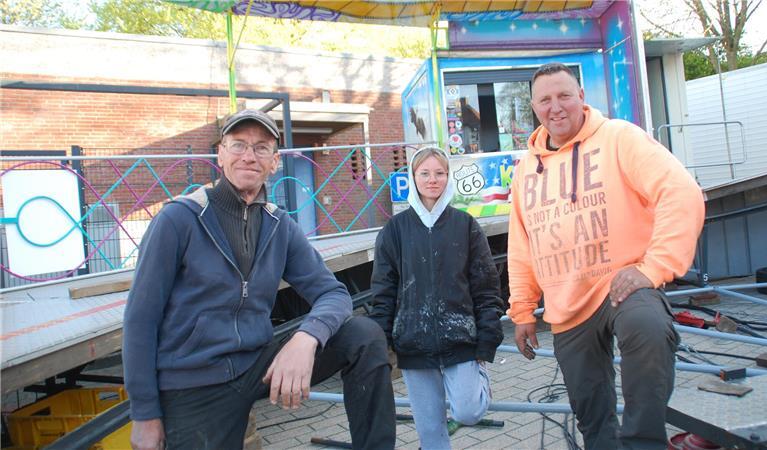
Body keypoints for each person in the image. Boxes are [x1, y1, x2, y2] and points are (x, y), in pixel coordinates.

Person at [123, 109, 396, 450]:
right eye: (238, 145)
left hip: (255, 365)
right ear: (220, 154)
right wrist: (144, 414)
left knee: (363, 335)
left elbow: (333, 293)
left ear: (275, 161)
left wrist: (306, 338)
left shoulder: (279, 225)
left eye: (261, 148)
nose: (249, 156)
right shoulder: (178, 220)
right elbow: (139, 320)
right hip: (195, 382)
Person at [507, 63, 705, 450]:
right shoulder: (526, 170)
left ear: (582, 97)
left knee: (648, 328)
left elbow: (680, 192)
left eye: (565, 95)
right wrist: (523, 310)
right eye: (545, 99)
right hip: (566, 306)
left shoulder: (619, 138)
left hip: (622, 286)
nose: (556, 107)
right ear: (534, 107)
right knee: (592, 416)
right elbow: (522, 245)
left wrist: (653, 268)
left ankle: (642, 443)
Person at [370, 146, 504, 449]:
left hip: (461, 340)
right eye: (425, 173)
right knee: (431, 435)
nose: (433, 180)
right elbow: (384, 289)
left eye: (440, 173)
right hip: (413, 344)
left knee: (468, 411)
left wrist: (487, 338)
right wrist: (381, 341)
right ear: (413, 178)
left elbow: (485, 285)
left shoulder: (466, 224)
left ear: (448, 176)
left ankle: (479, 380)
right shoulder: (395, 229)